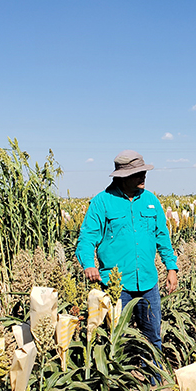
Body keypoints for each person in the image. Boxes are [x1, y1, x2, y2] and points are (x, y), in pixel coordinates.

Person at [75, 150, 178, 350]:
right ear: (123, 176)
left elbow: (162, 237)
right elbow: (86, 239)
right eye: (137, 173)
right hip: (116, 285)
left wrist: (171, 268)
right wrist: (88, 264)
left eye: (143, 172)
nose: (143, 176)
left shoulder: (151, 200)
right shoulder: (102, 202)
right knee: (115, 339)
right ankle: (120, 380)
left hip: (148, 283)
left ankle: (154, 379)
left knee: (153, 338)